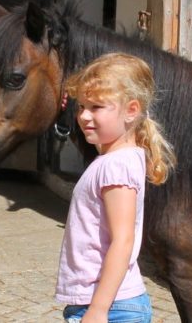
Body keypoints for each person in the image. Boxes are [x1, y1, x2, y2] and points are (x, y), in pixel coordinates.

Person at [55, 53, 175, 323]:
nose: (84, 116)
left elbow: (123, 240)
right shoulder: (117, 160)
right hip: (106, 303)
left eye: (96, 107)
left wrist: (98, 309)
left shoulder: (116, 166)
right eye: (81, 106)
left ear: (131, 110)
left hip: (110, 307)